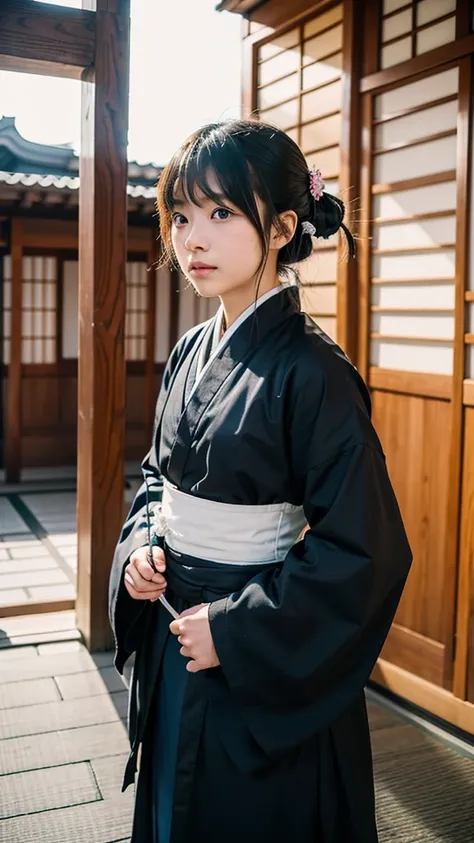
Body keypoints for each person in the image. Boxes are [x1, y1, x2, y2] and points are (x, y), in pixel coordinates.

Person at [109, 119, 412, 843]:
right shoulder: (188, 351)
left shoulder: (315, 373)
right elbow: (158, 477)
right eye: (180, 216)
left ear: (280, 227)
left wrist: (241, 628)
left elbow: (363, 548)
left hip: (255, 651)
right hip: (176, 625)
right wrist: (142, 547)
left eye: (220, 213)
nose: (192, 239)